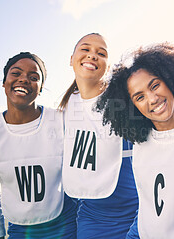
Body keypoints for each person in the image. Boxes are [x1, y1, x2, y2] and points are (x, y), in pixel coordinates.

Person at [96, 43, 174, 238]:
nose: (152, 99)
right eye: (139, 97)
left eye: (155, 85)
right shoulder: (137, 141)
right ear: (132, 107)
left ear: (170, 79)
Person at [0, 52, 77, 239]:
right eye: (16, 73)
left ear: (41, 87)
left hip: (67, 226)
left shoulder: (61, 121)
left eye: (33, 77)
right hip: (20, 231)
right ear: (4, 82)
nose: (24, 79)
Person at [58, 33, 138, 239]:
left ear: (108, 66)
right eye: (85, 49)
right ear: (71, 59)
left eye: (101, 53)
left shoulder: (125, 101)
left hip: (134, 213)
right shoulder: (66, 107)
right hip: (92, 217)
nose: (92, 55)